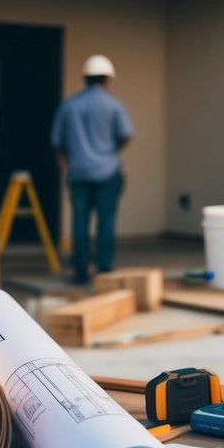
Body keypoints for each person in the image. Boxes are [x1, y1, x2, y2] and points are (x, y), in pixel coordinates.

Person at [51, 54, 134, 285]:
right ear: (108, 80)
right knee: (106, 221)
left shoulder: (69, 106)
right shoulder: (114, 105)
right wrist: (111, 151)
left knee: (79, 222)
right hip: (108, 172)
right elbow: (126, 134)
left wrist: (67, 165)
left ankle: (80, 272)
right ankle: (104, 270)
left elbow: (57, 143)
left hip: (78, 172)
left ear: (85, 79)